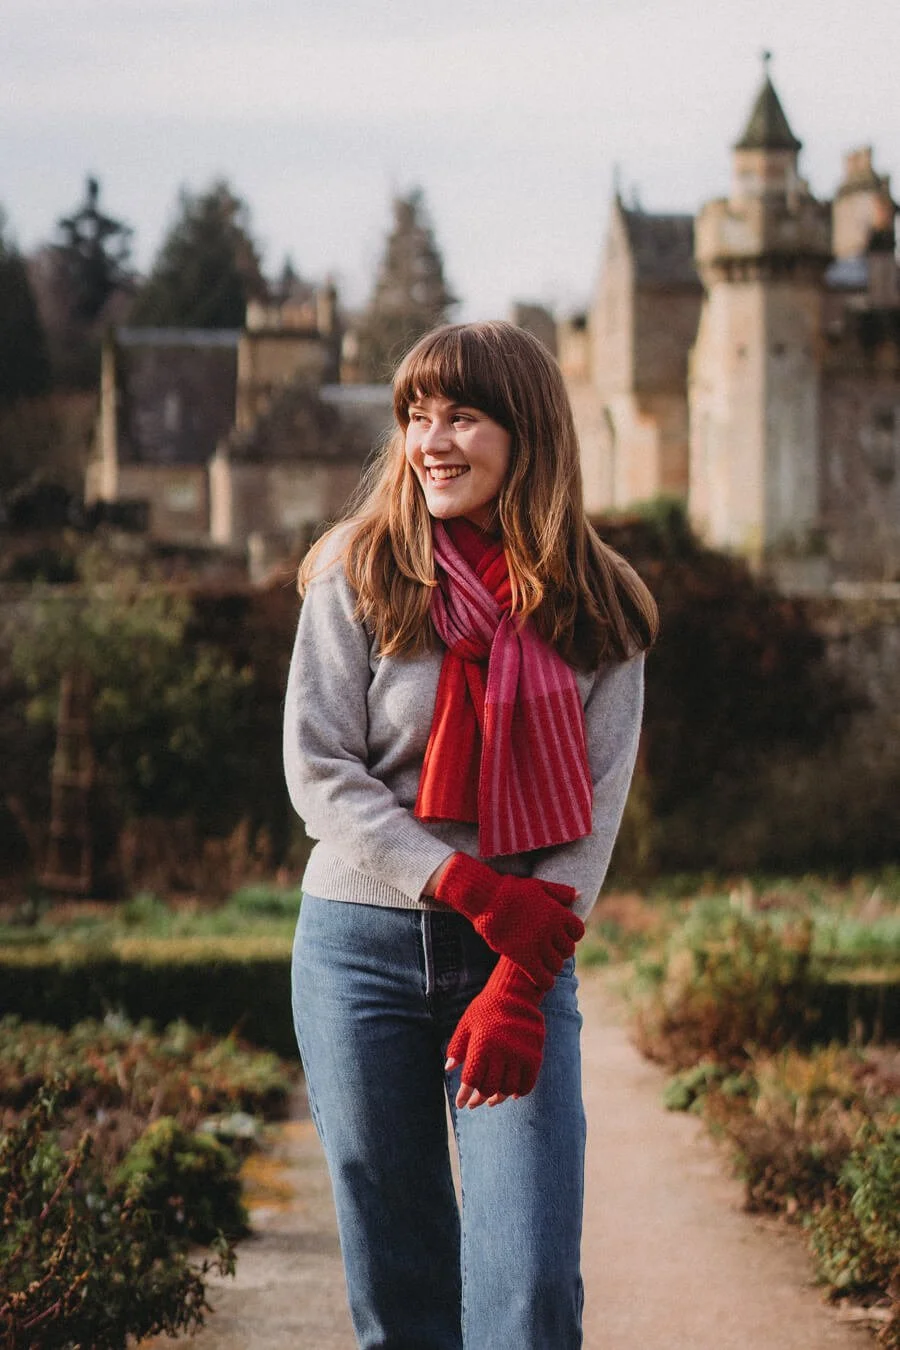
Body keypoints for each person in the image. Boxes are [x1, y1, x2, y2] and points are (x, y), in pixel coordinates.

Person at [283, 319, 657, 1350]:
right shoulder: (357, 573)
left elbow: (595, 814)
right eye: (416, 416)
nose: (432, 439)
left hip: (519, 964)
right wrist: (467, 884)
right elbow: (320, 773)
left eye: (462, 415)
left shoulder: (603, 608)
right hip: (358, 950)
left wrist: (518, 976)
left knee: (529, 1287)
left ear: (526, 430)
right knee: (401, 1286)